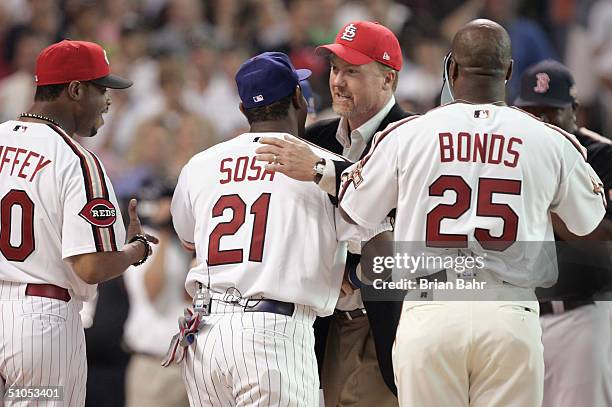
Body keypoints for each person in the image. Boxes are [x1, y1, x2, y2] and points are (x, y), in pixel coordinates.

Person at [337, 19, 607, 407]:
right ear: (510, 71)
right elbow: (589, 221)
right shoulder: (549, 140)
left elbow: (355, 210)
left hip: (431, 308)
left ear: (453, 69)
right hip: (508, 311)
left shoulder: (410, 133)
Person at [168, 51, 381, 407]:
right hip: (273, 334)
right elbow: (372, 244)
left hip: (205, 333)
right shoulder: (324, 168)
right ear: (299, 98)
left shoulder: (200, 164)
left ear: (243, 109)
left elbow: (190, 240)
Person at [255, 21, 410, 405]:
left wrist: (355, 269)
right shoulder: (316, 138)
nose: (337, 81)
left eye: (353, 71)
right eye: (336, 69)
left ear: (388, 80)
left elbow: (411, 224)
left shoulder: (414, 137)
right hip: (326, 325)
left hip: (393, 319)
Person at [0, 39, 157, 406]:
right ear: (74, 89)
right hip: (38, 326)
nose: (107, 100)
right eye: (101, 89)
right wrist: (135, 250)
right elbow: (91, 265)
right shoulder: (76, 159)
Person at [514, 59, 612, 407]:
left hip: (580, 319)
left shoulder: (602, 155)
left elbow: (605, 246)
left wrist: (548, 200)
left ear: (574, 111)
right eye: (530, 111)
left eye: (550, 111)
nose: (540, 121)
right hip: (514, 320)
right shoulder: (508, 155)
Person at [123, 180, 191, 407]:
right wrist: (163, 229)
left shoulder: (183, 244)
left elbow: (189, 297)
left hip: (189, 366)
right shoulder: (142, 241)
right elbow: (152, 290)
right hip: (154, 364)